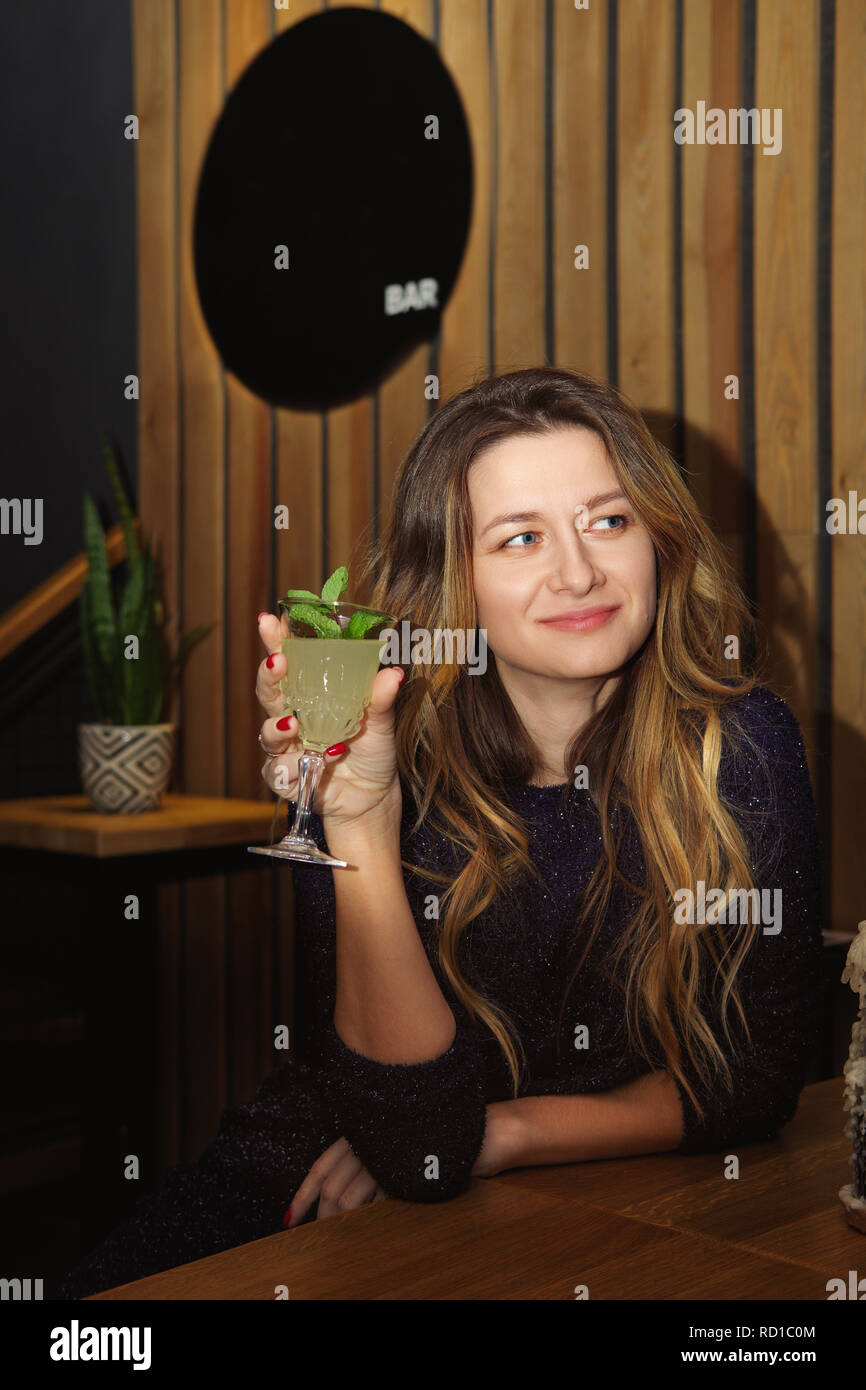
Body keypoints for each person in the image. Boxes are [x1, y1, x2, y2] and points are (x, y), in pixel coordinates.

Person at [53, 367, 822, 1299]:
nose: (578, 572)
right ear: (454, 579)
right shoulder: (366, 748)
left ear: (658, 538)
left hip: (579, 1208)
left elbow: (751, 1080)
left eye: (608, 520)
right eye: (521, 537)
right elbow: (417, 1141)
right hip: (307, 1188)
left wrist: (504, 1132)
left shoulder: (740, 747)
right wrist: (357, 820)